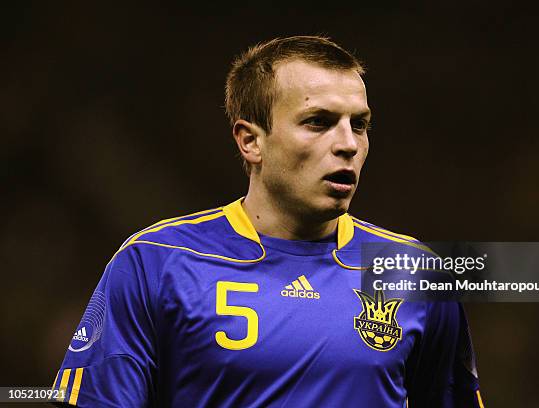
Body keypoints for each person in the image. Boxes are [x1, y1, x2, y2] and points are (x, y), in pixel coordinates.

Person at [51, 36, 484, 407]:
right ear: (250, 141)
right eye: (319, 122)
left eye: (361, 125)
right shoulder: (155, 264)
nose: (349, 144)